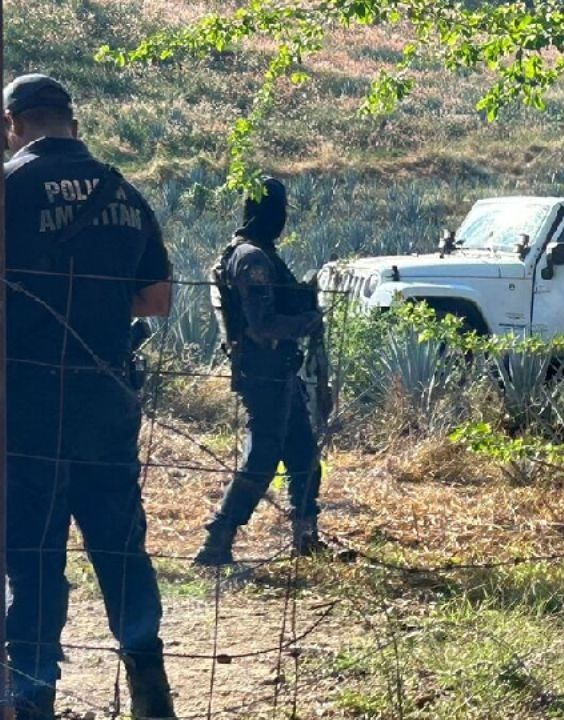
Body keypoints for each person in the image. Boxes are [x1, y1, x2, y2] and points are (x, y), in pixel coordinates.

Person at [4, 74, 176, 719]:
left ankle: (33, 700)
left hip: (26, 407)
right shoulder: (123, 191)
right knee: (121, 549)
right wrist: (97, 304)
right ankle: (151, 692)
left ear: (12, 125)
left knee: (34, 559)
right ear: (72, 123)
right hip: (107, 402)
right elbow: (158, 300)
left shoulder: (9, 189)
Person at [196, 177, 325, 566]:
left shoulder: (258, 253)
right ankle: (218, 538)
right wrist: (308, 321)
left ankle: (306, 536)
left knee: (303, 454)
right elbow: (262, 324)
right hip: (264, 372)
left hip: (280, 370)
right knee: (263, 457)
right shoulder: (251, 258)